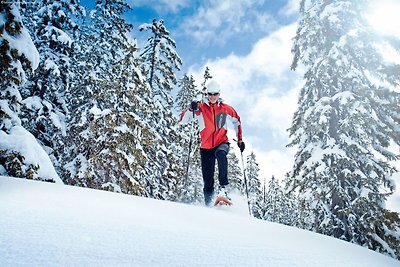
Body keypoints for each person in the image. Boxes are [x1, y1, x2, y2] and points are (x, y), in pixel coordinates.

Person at [180, 80, 245, 206]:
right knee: (208, 181)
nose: (212, 97)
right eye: (210, 94)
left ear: (219, 94)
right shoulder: (200, 108)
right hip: (206, 147)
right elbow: (183, 120)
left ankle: (223, 188)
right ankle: (209, 205)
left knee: (221, 154)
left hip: (222, 142)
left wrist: (240, 139)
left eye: (215, 94)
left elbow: (237, 121)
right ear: (207, 94)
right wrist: (190, 108)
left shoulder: (226, 109)